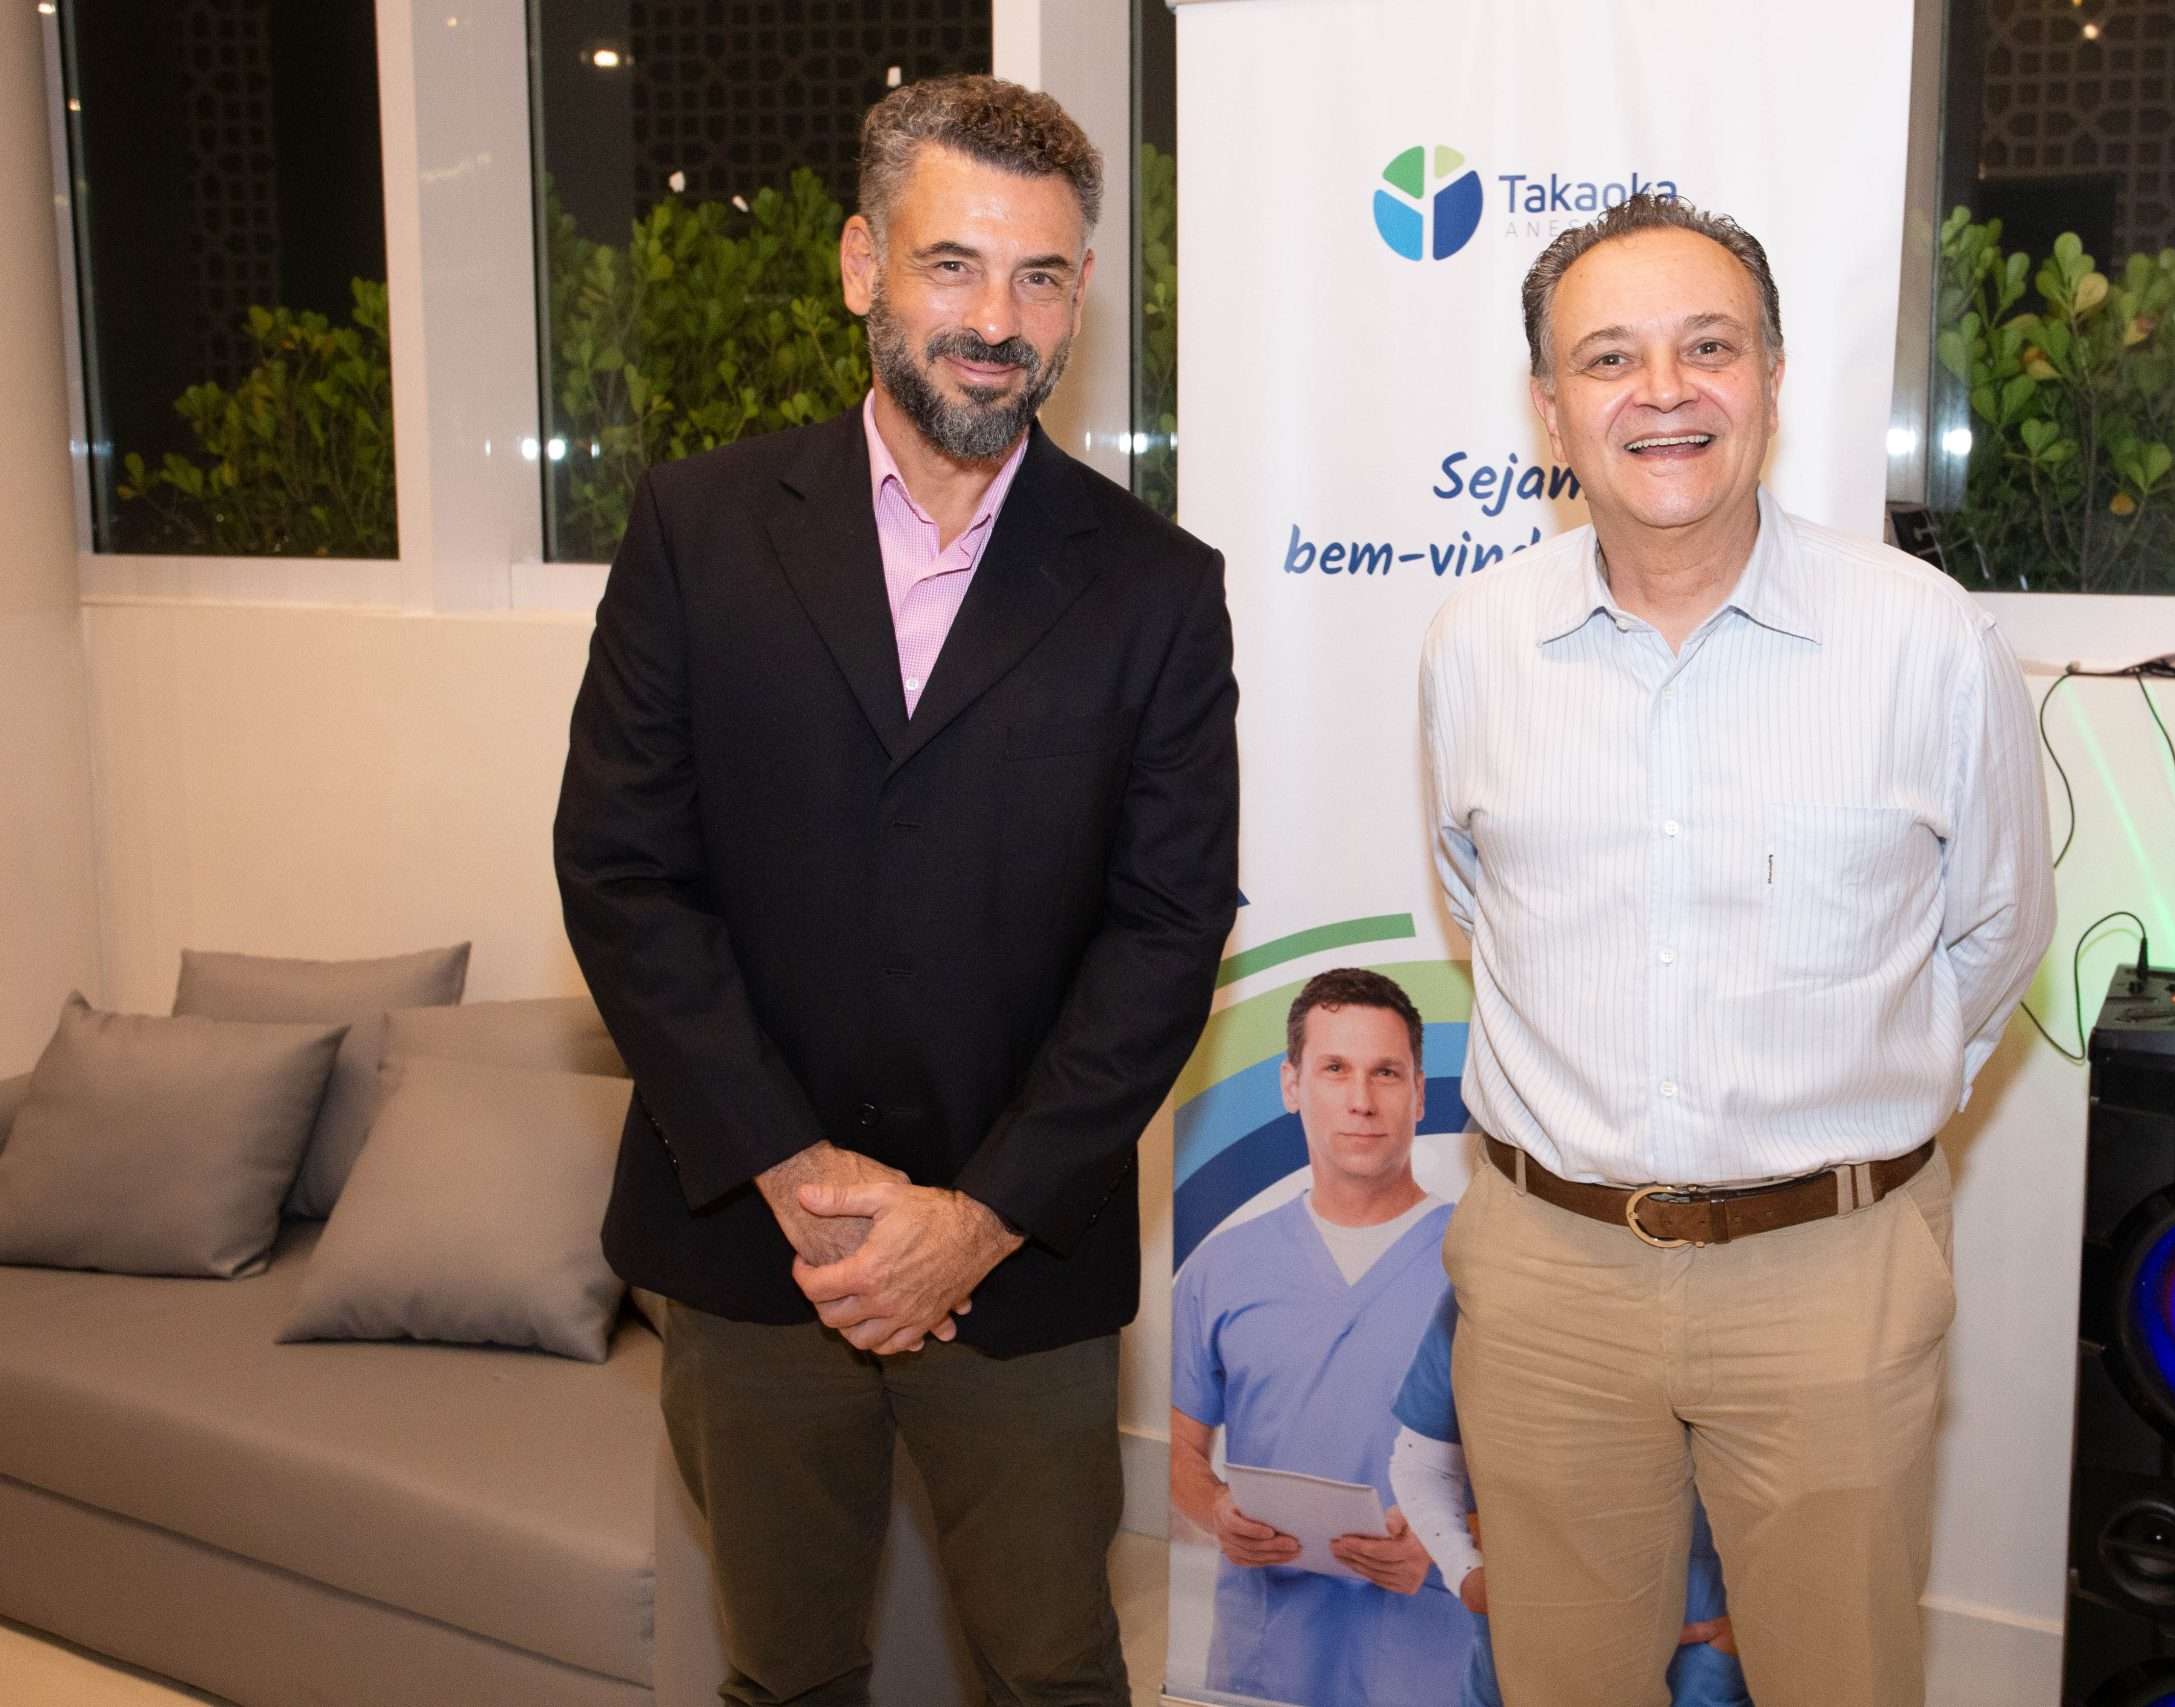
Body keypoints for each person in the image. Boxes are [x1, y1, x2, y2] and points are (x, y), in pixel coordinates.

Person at [554, 75, 1238, 1707]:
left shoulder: (1158, 587)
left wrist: (973, 1219)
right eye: (953, 264)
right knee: (784, 1672)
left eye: (1041, 276)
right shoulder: (700, 528)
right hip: (752, 1241)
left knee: (1057, 1671)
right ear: (863, 263)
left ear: (1082, 294)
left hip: (1020, 1259)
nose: (996, 321)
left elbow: (1166, 932)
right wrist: (795, 1171)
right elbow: (623, 869)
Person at [1420, 193, 2056, 1707]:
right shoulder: (1474, 642)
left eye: (1707, 347)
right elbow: (1477, 895)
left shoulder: (1926, 638)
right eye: (1609, 358)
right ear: (1549, 406)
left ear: (1771, 376)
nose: (1662, 392)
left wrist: (1851, 1114)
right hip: (1547, 1276)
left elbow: (1995, 934)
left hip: (1831, 1276)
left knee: (1844, 1679)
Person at [1169, 968, 1477, 1706]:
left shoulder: (1480, 1268)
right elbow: (1179, 1453)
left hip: (1432, 1661)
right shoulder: (1220, 1268)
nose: (1361, 1100)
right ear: (1291, 1084)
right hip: (1266, 1661)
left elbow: (1549, 1478)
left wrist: (1449, 1543)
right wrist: (1216, 1511)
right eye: (1335, 1068)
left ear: (1420, 1094)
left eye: (1386, 1073)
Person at [1388, 1292, 1752, 1707]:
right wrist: (1468, 1576)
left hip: (1698, 1656)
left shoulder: (1736, 1288)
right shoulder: (1486, 1284)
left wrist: (1747, 1630)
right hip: (1520, 1657)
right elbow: (1425, 1463)